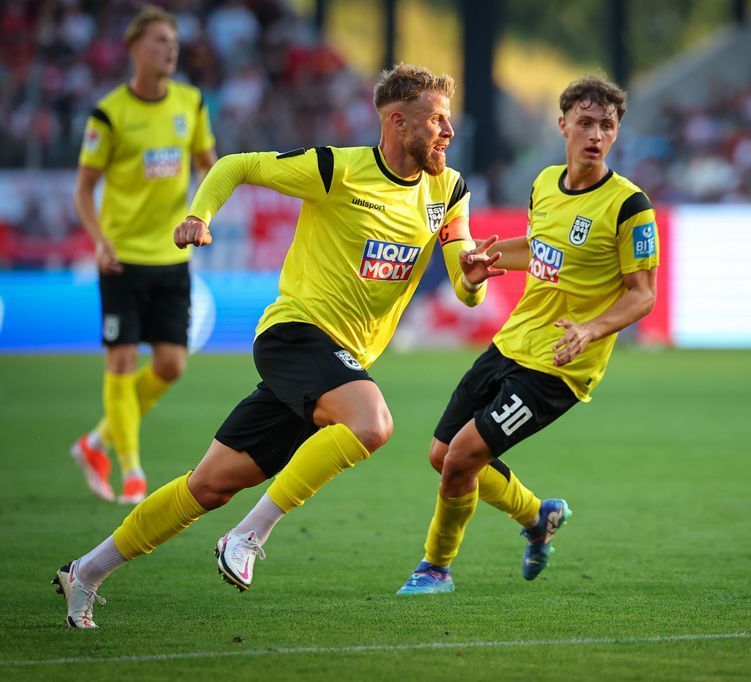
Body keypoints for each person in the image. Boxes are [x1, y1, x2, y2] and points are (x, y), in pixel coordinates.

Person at [53, 63, 505, 628]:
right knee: (373, 424)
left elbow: (461, 285)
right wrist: (199, 214)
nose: (448, 132)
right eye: (437, 119)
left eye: (449, 121)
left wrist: (473, 275)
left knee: (209, 485)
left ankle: (86, 572)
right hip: (295, 335)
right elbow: (236, 164)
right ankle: (248, 535)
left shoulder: (450, 188)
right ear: (396, 120)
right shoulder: (334, 169)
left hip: (339, 364)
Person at [396, 75, 659, 595]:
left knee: (462, 459)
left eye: (607, 125)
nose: (596, 135)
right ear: (562, 125)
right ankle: (538, 517)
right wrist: (484, 259)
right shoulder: (544, 183)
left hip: (559, 366)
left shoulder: (630, 206)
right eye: (585, 122)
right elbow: (542, 250)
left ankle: (435, 568)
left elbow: (643, 293)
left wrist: (591, 328)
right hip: (511, 342)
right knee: (440, 453)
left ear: (617, 133)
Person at [70, 4, 218, 505]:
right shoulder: (109, 113)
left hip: (172, 257)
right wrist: (99, 239)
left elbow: (208, 166)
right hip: (122, 259)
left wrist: (203, 214)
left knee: (172, 365)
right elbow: (83, 189)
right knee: (123, 359)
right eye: (159, 40)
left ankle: (96, 442)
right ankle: (131, 471)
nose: (170, 48)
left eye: (173, 41)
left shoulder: (191, 103)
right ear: (134, 48)